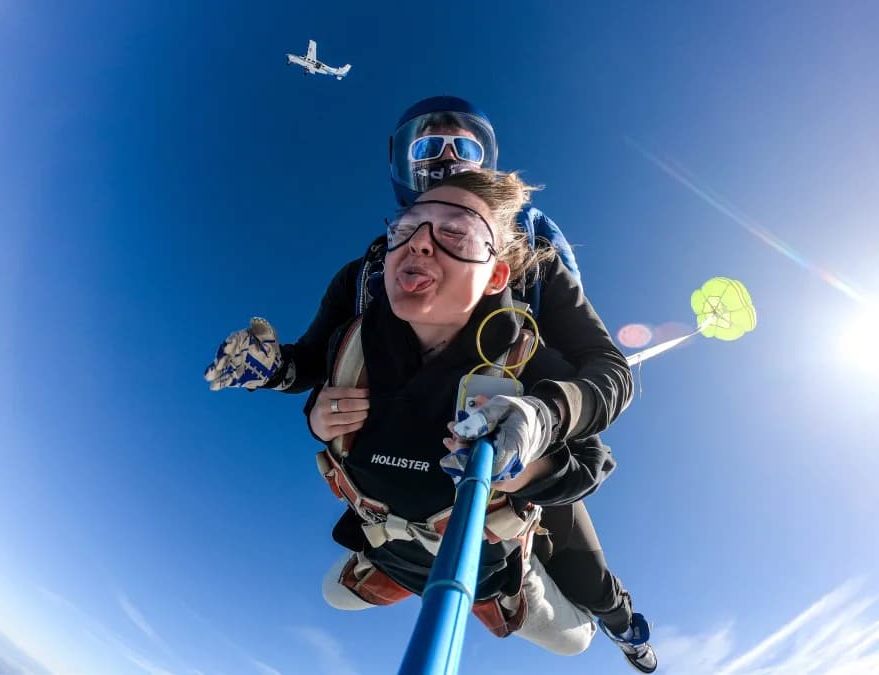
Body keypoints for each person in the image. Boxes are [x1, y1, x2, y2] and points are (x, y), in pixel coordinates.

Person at [204, 96, 656, 672]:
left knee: (585, 576)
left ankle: (617, 624)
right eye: (428, 147)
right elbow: (317, 360)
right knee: (340, 586)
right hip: (395, 455)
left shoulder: (533, 267)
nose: (446, 158)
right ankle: (413, 559)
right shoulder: (370, 275)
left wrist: (545, 417)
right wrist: (277, 375)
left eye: (463, 147)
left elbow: (607, 371)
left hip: (516, 428)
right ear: (402, 166)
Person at [311, 169, 613, 655]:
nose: (420, 243)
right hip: (389, 551)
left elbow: (593, 462)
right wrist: (316, 416)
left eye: (456, 232)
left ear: (496, 276)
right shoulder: (353, 344)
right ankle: (403, 574)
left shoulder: (526, 364)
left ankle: (538, 585)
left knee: (575, 642)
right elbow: (319, 391)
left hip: (486, 570)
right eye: (406, 229)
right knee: (333, 595)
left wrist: (524, 464)